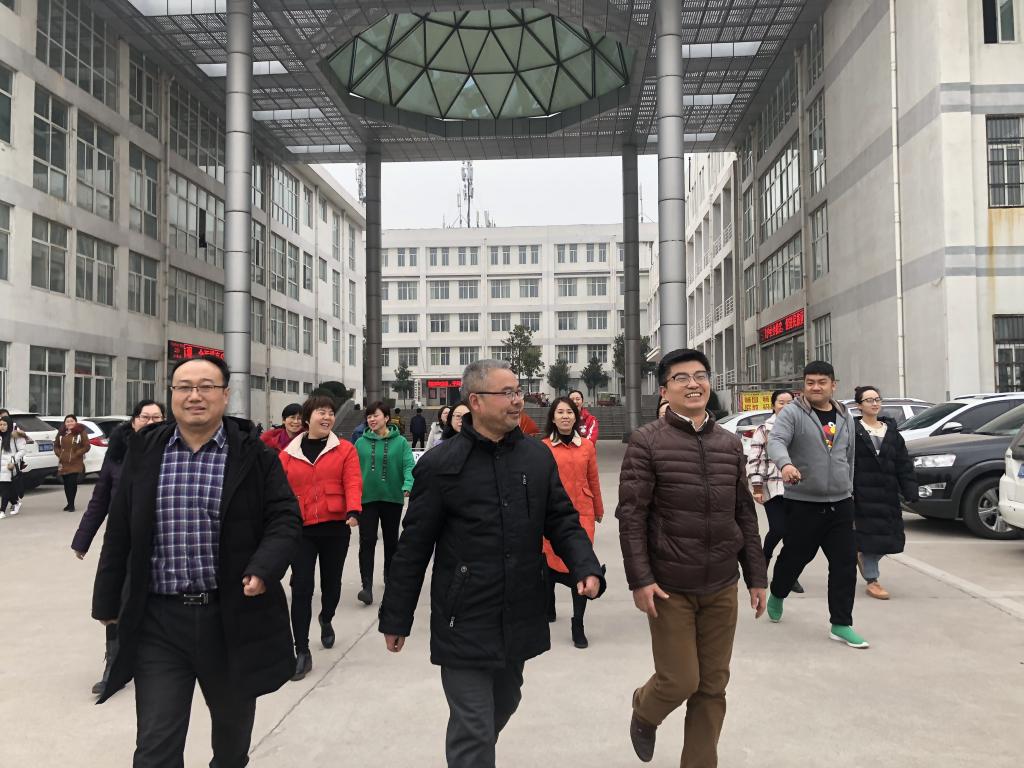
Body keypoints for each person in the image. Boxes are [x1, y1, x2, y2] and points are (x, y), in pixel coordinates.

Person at [378, 359, 606, 768]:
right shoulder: (441, 465)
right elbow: (413, 548)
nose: (518, 400)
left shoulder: (536, 458)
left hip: (519, 609)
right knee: (474, 728)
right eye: (507, 393)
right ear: (476, 402)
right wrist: (397, 616)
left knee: (506, 700)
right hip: (463, 616)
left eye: (518, 391)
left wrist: (585, 566)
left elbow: (561, 520)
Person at [91, 355, 301, 766]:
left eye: (206, 386)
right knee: (155, 746)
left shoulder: (254, 455)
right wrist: (107, 601)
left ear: (225, 395)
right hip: (159, 621)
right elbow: (120, 529)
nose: (195, 396)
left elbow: (285, 518)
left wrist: (263, 567)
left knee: (231, 744)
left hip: (230, 617)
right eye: (184, 387)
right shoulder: (145, 450)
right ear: (172, 395)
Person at [617, 348, 767, 766]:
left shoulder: (729, 444)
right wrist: (640, 579)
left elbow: (744, 513)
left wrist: (756, 576)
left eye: (700, 375)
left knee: (712, 686)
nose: (693, 384)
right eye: (681, 378)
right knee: (680, 680)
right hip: (670, 586)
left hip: (721, 584)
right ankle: (644, 709)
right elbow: (632, 516)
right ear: (664, 390)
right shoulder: (647, 441)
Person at [765, 360, 867, 649]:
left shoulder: (845, 415)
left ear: (833, 385)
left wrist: (849, 489)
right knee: (795, 558)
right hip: (803, 503)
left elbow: (849, 456)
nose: (815, 387)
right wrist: (785, 465)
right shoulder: (793, 413)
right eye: (810, 382)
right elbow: (776, 441)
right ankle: (778, 592)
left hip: (840, 503)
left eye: (822, 382)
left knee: (844, 564)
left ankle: (841, 624)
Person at [73, 399, 165, 694]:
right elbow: (99, 500)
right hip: (121, 540)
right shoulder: (117, 456)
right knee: (113, 601)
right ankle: (113, 665)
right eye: (145, 417)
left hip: (161, 539)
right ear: (134, 421)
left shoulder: (173, 454)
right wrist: (83, 539)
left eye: (157, 418)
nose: (150, 423)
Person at [279, 395, 363, 681]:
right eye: (321, 412)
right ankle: (301, 651)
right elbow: (278, 490)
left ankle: (326, 618)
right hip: (301, 529)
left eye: (330, 413)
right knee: (301, 587)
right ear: (307, 419)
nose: (327, 417)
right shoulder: (288, 454)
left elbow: (353, 480)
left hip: (335, 526)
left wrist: (354, 509)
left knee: (331, 585)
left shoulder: (345, 450)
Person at [541, 397, 605, 648]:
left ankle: (578, 623)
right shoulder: (543, 447)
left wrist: (598, 509)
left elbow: (593, 479)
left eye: (569, 412)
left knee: (582, 567)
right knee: (549, 565)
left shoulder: (587, 446)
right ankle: (549, 606)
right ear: (553, 418)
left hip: (582, 513)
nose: (565, 416)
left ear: (576, 417)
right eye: (560, 412)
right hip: (551, 515)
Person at [851, 386, 918, 600]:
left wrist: (910, 490)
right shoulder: (852, 431)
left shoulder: (892, 432)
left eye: (877, 399)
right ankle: (873, 580)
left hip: (887, 493)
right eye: (869, 400)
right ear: (859, 405)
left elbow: (903, 464)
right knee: (870, 537)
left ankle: (863, 558)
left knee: (891, 539)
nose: (874, 403)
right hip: (862, 493)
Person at [354, 401, 414, 606]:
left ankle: (390, 577)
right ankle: (367, 586)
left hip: (392, 498)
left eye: (376, 415)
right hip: (366, 499)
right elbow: (352, 471)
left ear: (386, 418)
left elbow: (409, 465)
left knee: (391, 541)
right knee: (367, 540)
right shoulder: (360, 443)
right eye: (369, 416)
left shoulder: (401, 442)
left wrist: (408, 484)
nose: (371, 419)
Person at [746, 390, 804, 594]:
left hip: (798, 488)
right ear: (773, 406)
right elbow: (755, 459)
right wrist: (757, 487)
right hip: (773, 487)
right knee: (779, 529)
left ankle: (789, 575)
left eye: (790, 402)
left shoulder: (802, 427)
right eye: (781, 402)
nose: (786, 406)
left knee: (794, 535)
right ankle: (762, 563)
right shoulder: (764, 429)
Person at [56, 414, 91, 512]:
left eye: (72, 421)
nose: (70, 423)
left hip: (75, 462)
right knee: (66, 483)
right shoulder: (61, 433)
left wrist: (77, 454)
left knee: (72, 482)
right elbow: (56, 446)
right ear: (65, 423)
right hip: (63, 462)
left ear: (75, 422)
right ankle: (69, 503)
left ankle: (72, 504)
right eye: (67, 421)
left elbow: (87, 446)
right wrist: (59, 454)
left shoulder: (80, 432)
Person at [0, 409, 27, 515]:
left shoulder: (15, 435)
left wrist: (13, 460)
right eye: (0, 424)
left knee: (5, 489)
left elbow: (22, 450)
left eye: (4, 424)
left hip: (9, 466)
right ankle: (15, 503)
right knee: (7, 489)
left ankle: (2, 511)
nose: (2, 426)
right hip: (1, 466)